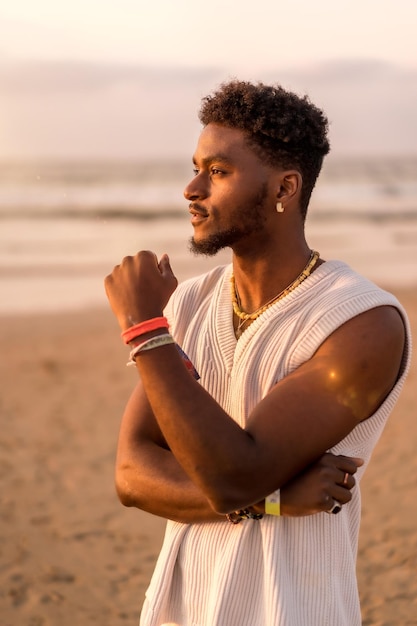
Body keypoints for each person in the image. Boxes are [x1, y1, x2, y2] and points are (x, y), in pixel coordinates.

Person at [104, 80, 411, 626]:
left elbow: (232, 477)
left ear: (284, 187)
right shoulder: (193, 302)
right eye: (196, 167)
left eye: (218, 172)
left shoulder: (362, 322)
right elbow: (131, 476)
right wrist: (272, 499)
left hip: (292, 607)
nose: (191, 188)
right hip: (181, 605)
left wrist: (146, 331)